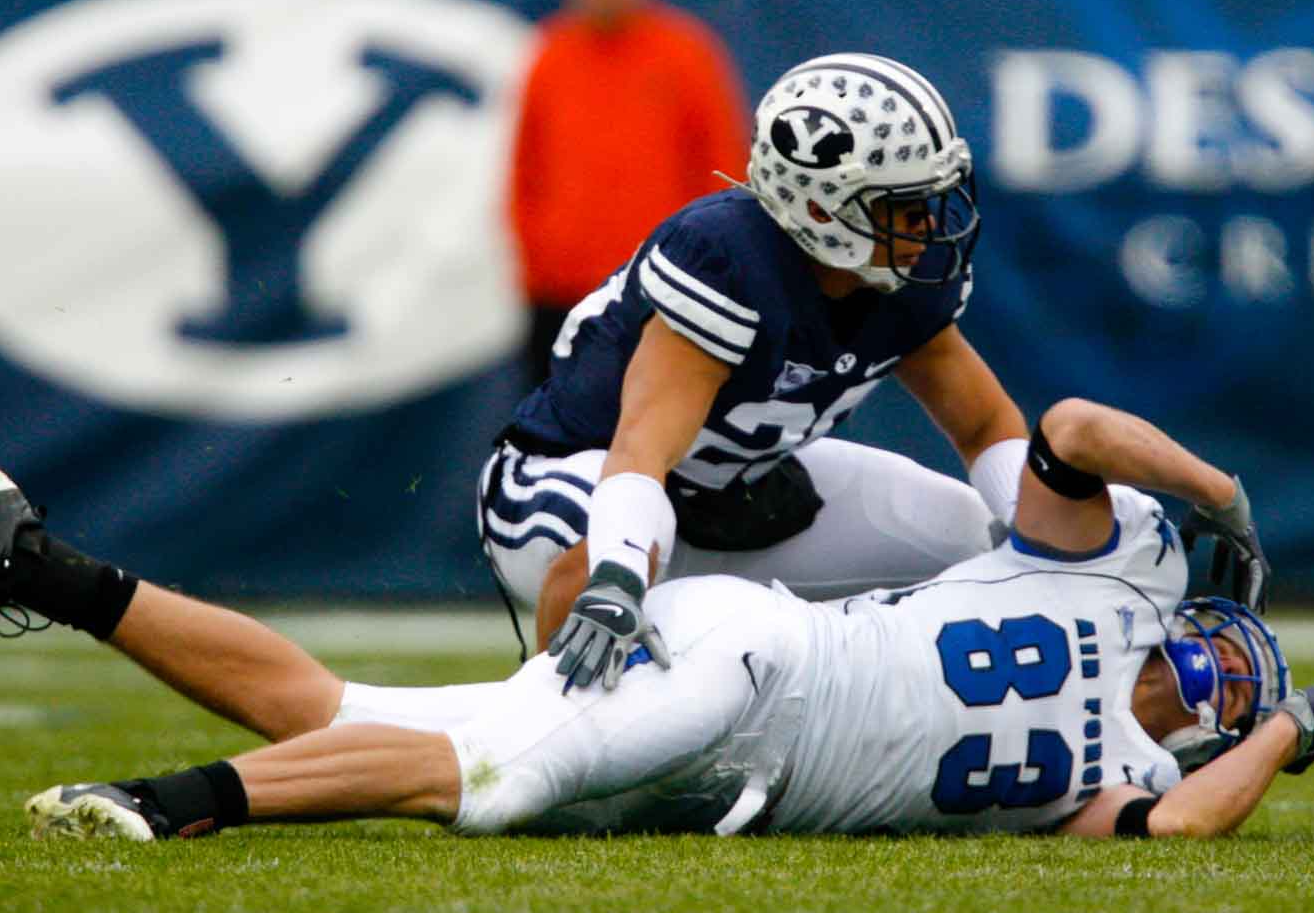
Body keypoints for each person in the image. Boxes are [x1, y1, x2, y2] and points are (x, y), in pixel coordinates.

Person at [0, 397, 1314, 841]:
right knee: (504, 784)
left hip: (735, 767)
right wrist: (1216, 485)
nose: (1205, 672)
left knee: (351, 717)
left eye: (1227, 687)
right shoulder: (1100, 576)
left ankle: (34, 563)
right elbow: (1074, 425)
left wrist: (1277, 732)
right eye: (1220, 647)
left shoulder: (1135, 782)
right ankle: (158, 808)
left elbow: (1174, 840)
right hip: (756, 659)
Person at [483, 47, 1270, 686]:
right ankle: (555, 722)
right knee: (600, 569)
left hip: (738, 488)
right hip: (570, 486)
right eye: (903, 206)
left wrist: (1048, 549)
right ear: (821, 205)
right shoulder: (728, 259)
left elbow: (985, 425)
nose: (929, 226)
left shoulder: (892, 280)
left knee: (976, 538)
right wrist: (621, 581)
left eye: (931, 200)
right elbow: (641, 455)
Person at [511, 0, 750, 388]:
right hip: (562, 294)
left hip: (661, 286)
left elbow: (721, 164)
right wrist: (539, 260)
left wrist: (701, 264)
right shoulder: (550, 54)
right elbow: (525, 169)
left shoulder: (687, 53)